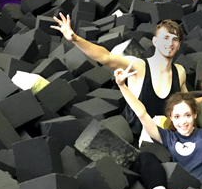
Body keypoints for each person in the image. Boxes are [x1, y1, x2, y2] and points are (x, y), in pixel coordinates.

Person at [51, 13, 187, 142]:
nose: (170, 43)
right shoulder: (139, 66)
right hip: (131, 138)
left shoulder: (180, 72)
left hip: (163, 140)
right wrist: (75, 38)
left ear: (178, 45)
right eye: (166, 38)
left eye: (175, 39)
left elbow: (188, 104)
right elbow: (106, 57)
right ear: (155, 41)